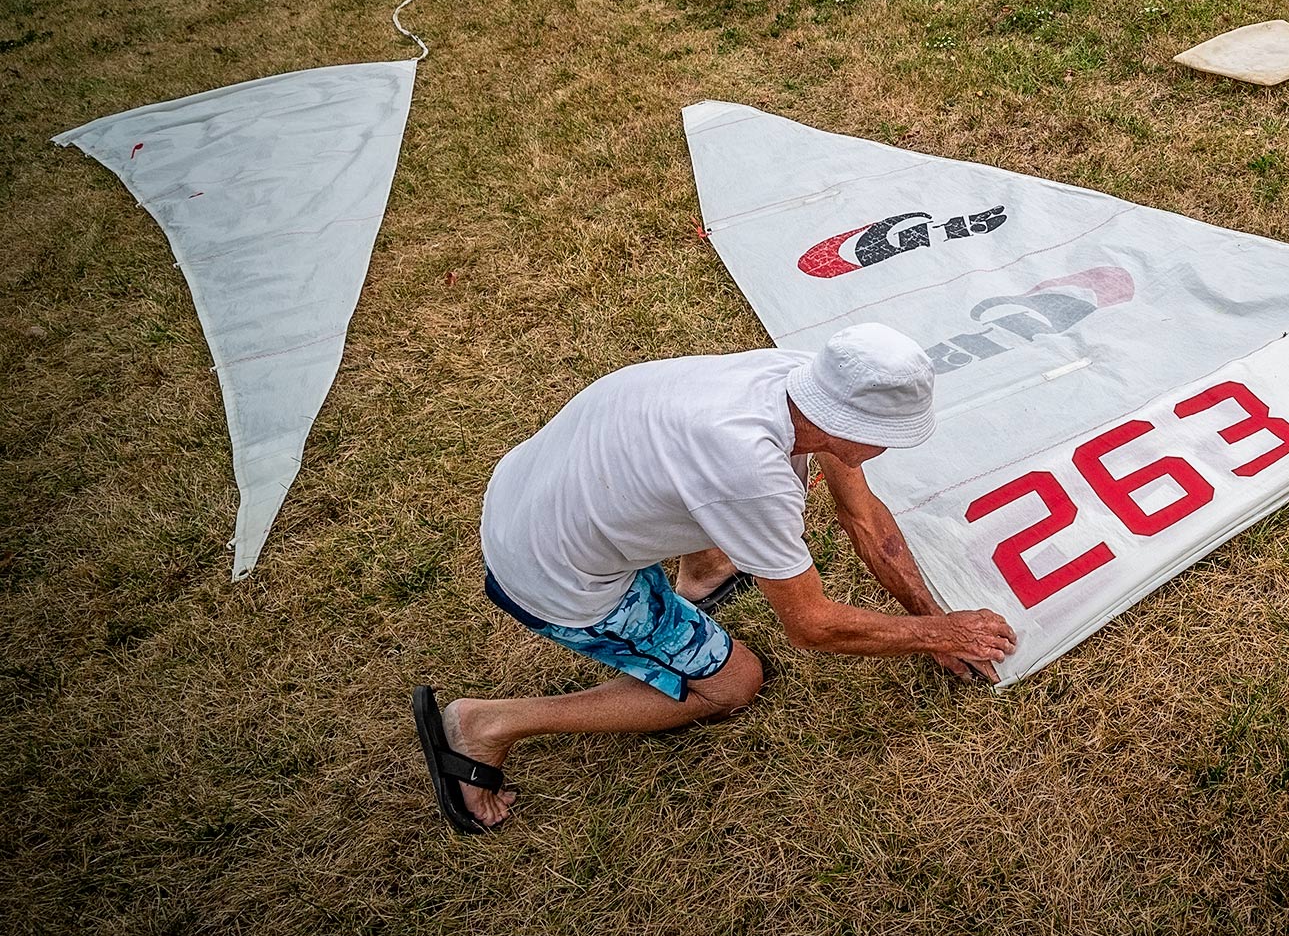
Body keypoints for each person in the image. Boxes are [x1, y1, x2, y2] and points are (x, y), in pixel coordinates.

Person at [413, 324, 1016, 834]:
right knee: (734, 684)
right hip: (552, 572)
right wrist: (940, 634)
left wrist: (929, 620)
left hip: (534, 488)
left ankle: (702, 571)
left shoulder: (800, 379)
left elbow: (862, 518)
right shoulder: (749, 474)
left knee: (712, 496)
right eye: (889, 436)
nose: (892, 447)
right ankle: (485, 724)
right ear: (846, 423)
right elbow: (811, 626)